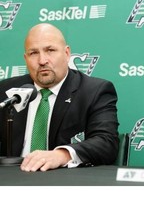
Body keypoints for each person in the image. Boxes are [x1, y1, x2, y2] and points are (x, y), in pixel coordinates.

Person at [0, 23, 119, 172]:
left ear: (67, 53)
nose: (42, 60)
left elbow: (106, 143)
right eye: (33, 53)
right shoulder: (6, 91)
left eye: (50, 50)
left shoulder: (94, 91)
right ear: (25, 58)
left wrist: (61, 155)